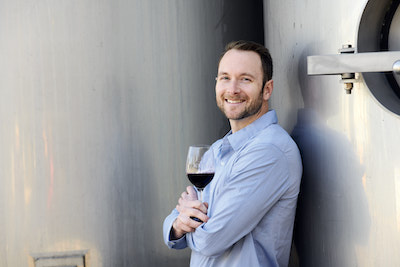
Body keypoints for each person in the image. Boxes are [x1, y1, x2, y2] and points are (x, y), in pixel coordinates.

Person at [163, 40, 302, 266]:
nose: (233, 89)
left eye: (245, 79)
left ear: (267, 89)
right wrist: (179, 223)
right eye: (225, 77)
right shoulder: (217, 149)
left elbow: (210, 241)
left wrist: (187, 221)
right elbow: (171, 225)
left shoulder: (269, 151)